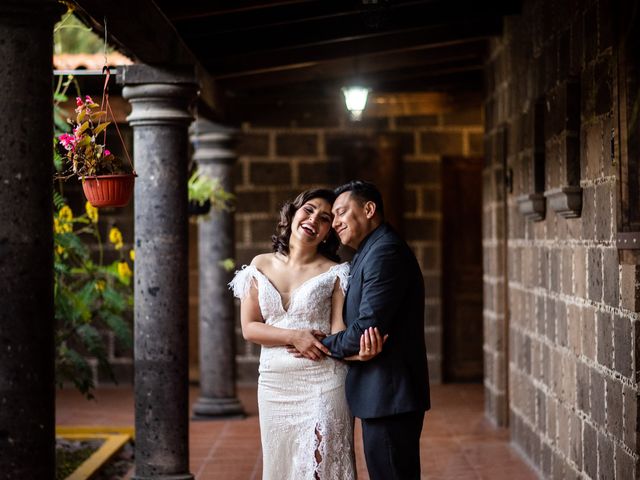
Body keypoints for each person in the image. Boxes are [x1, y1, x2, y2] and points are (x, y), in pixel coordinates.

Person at [228, 188, 384, 480]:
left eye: (325, 218)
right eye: (309, 210)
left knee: (321, 465)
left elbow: (339, 330)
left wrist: (358, 353)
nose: (314, 219)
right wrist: (294, 336)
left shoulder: (337, 272)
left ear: (328, 233)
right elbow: (250, 328)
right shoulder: (259, 264)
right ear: (293, 213)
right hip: (275, 382)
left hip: (323, 380)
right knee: (282, 464)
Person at [320, 180, 431, 480]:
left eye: (341, 213)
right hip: (382, 394)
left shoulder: (385, 253)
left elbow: (365, 330)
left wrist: (320, 344)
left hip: (389, 395)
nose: (336, 223)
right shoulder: (370, 251)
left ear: (369, 209)